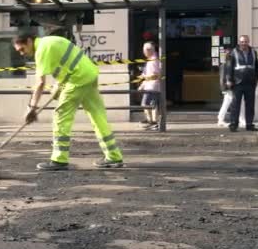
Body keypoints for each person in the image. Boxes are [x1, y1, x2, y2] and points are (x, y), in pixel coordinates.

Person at [13, 33, 124, 171]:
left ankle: (59, 159)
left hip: (76, 79)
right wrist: (59, 86)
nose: (22, 53)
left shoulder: (41, 50)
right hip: (89, 74)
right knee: (98, 117)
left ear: (29, 41)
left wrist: (32, 107)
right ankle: (114, 156)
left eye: (22, 49)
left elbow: (40, 82)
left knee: (61, 116)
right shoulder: (51, 40)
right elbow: (67, 63)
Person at [225, 35, 258, 132]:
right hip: (237, 83)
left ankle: (249, 124)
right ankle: (233, 124)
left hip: (250, 83)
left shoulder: (253, 52)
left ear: (248, 41)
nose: (244, 43)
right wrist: (228, 80)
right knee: (235, 104)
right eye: (242, 41)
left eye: (245, 41)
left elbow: (257, 67)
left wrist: (257, 79)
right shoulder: (233, 52)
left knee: (250, 105)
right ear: (239, 42)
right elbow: (229, 67)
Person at [218, 48, 246, 127]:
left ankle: (221, 119)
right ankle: (241, 119)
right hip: (230, 87)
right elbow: (223, 77)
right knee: (233, 103)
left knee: (229, 103)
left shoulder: (226, 63)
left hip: (231, 87)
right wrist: (225, 87)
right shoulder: (226, 64)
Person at [138, 42, 161, 131]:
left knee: (146, 104)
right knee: (151, 104)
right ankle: (152, 122)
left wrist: (144, 78)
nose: (144, 53)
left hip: (152, 86)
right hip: (151, 85)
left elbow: (155, 74)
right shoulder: (152, 59)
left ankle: (152, 122)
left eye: (144, 51)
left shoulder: (153, 60)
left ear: (148, 50)